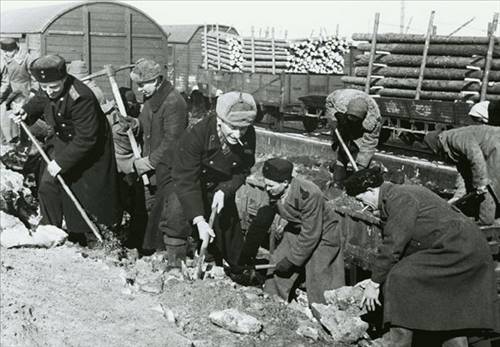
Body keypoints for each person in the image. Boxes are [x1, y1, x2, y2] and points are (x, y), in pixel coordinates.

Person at [344, 168, 499, 347]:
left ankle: (397, 340)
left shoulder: (399, 198)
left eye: (361, 199)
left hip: (457, 247)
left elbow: (394, 244)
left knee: (400, 277)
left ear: (370, 190)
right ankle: (454, 341)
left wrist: (374, 284)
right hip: (465, 245)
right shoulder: (400, 193)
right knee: (449, 302)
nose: (364, 205)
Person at [11, 54, 121, 246]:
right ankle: (50, 230)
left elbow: (87, 138)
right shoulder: (48, 88)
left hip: (90, 150)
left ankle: (94, 238)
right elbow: (40, 99)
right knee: (47, 184)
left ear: (64, 78)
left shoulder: (81, 97)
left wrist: (61, 163)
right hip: (63, 142)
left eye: (54, 87)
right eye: (44, 86)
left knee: (86, 194)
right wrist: (26, 111)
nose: (49, 91)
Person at [150, 91, 257, 271]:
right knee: (179, 209)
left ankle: (220, 261)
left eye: (243, 129)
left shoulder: (248, 134)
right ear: (220, 119)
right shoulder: (197, 134)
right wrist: (199, 221)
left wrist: (225, 190)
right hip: (179, 173)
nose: (238, 134)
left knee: (224, 220)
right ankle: (175, 262)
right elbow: (186, 180)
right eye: (233, 127)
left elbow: (243, 170)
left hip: (215, 180)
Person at [249, 158, 345, 304]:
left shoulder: (309, 193)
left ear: (286, 183)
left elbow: (311, 234)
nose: (267, 189)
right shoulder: (272, 190)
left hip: (323, 232)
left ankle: (323, 312)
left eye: (271, 186)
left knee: (318, 274)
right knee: (278, 260)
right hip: (297, 228)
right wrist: (246, 255)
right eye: (266, 184)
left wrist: (293, 260)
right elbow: (261, 221)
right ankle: (273, 301)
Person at [119, 58, 188, 250]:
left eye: (142, 85)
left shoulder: (174, 103)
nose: (140, 89)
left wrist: (149, 163)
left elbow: (172, 142)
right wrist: (134, 124)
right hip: (151, 167)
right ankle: (142, 249)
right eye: (138, 85)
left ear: (156, 80)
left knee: (159, 212)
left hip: (166, 169)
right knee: (144, 209)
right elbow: (146, 125)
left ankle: (158, 252)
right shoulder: (152, 99)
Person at [424, 126, 500, 225]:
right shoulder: (452, 146)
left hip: (496, 148)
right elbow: (465, 174)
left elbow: (476, 158)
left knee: (488, 185)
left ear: (437, 146)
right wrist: (458, 196)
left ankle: (485, 224)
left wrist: (480, 184)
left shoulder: (455, 138)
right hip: (493, 147)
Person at [324, 89, 382, 185]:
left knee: (357, 154)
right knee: (342, 152)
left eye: (355, 119)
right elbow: (329, 104)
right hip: (342, 120)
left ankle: (356, 182)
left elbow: (369, 143)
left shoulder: (374, 120)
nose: (352, 120)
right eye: (350, 117)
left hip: (359, 132)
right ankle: (338, 180)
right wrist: (334, 117)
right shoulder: (340, 101)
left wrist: (361, 166)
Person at [0, 38, 38, 143]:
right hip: (6, 93)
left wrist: (33, 92)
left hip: (22, 92)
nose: (7, 54)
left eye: (9, 51)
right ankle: (6, 143)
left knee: (19, 120)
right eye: (4, 52)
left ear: (16, 49)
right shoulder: (2, 59)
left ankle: (22, 143)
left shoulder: (26, 58)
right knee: (5, 119)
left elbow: (35, 78)